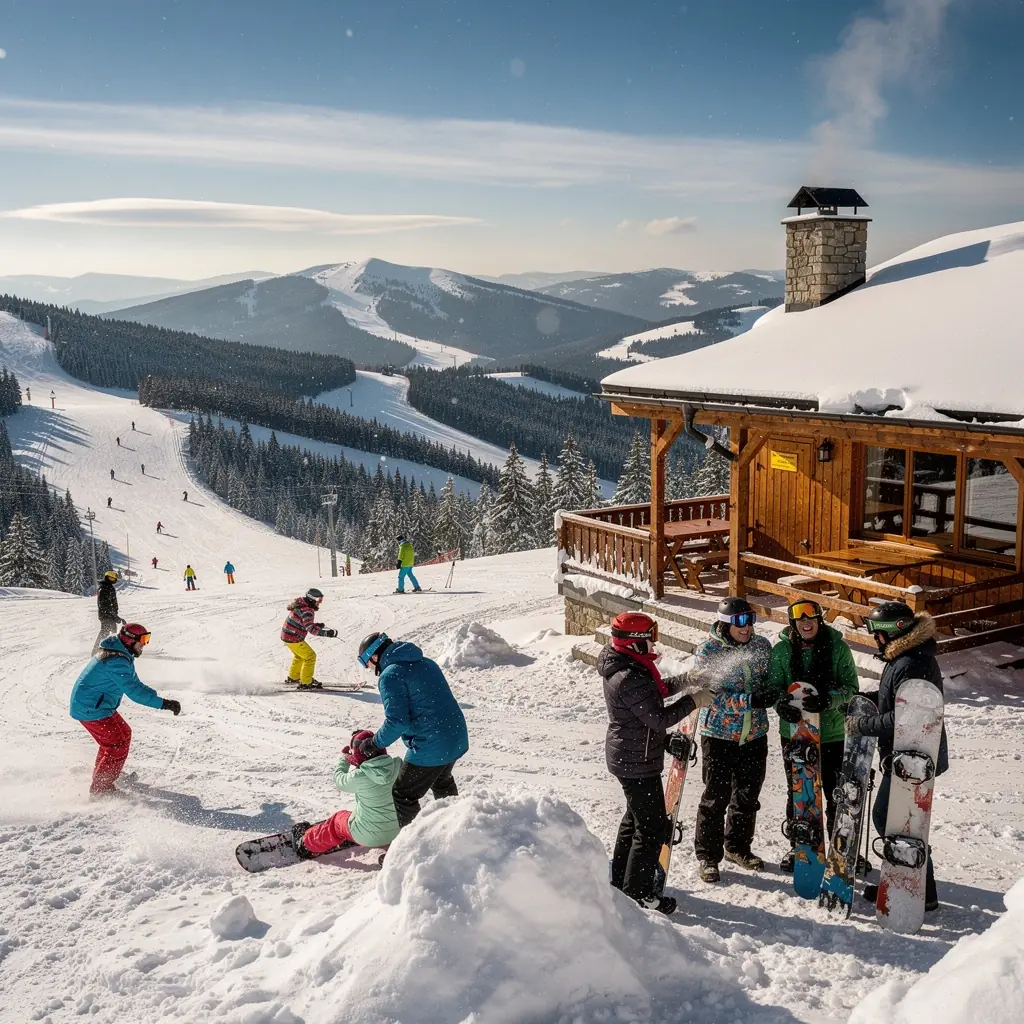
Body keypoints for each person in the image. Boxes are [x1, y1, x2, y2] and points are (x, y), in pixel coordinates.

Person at [598, 611, 713, 915]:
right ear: (635, 642)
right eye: (651, 636)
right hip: (635, 761)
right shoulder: (628, 677)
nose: (654, 642)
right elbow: (658, 718)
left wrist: (688, 681)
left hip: (634, 755)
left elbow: (658, 691)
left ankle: (623, 880)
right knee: (650, 827)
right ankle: (638, 893)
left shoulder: (632, 666)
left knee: (635, 820)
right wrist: (694, 701)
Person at [847, 603, 949, 914]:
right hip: (907, 754)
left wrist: (863, 726)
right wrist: (868, 702)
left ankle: (918, 886)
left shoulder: (911, 662)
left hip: (914, 755)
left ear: (893, 631)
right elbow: (897, 699)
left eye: (876, 631)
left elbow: (907, 716)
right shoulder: (902, 658)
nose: (874, 637)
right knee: (898, 820)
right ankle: (907, 880)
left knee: (895, 820)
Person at [768, 600, 860, 872]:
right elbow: (773, 688)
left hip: (831, 732)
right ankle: (799, 846)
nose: (806, 623)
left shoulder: (838, 648)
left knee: (835, 792)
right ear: (793, 623)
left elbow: (851, 688)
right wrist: (780, 705)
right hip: (796, 733)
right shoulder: (782, 651)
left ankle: (839, 847)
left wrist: (828, 700)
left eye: (811, 618)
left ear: (820, 620)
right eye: (800, 619)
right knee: (800, 791)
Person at [690, 596, 773, 883]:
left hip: (754, 734)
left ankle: (737, 847)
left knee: (748, 796)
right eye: (740, 621)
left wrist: (775, 694)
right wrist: (750, 700)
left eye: (750, 620)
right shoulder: (708, 652)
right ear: (726, 623)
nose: (747, 627)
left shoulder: (761, 646)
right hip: (720, 735)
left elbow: (770, 680)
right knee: (716, 797)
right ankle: (708, 856)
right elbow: (710, 697)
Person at [357, 631, 468, 827]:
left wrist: (374, 743)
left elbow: (398, 721)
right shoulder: (427, 662)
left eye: (368, 664)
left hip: (433, 745)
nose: (371, 669)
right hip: (456, 735)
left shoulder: (390, 675)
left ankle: (410, 851)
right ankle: (456, 829)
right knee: (441, 780)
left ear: (374, 656)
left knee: (403, 794)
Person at [69, 622, 181, 797]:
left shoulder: (121, 655)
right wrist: (163, 703)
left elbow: (135, 684)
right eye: (143, 639)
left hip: (96, 705)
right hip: (91, 709)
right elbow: (135, 692)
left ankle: (106, 773)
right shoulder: (116, 661)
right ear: (130, 640)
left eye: (147, 638)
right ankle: (101, 788)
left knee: (121, 735)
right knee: (116, 744)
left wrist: (157, 696)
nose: (145, 644)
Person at [291, 729, 401, 860]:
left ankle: (305, 844)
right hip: (400, 831)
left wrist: (344, 760)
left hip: (368, 836)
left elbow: (339, 780)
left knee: (337, 821)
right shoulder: (399, 765)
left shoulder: (359, 776)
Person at [281, 587, 338, 689]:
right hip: (293, 637)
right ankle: (305, 682)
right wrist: (327, 633)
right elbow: (311, 630)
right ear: (312, 599)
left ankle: (294, 677)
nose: (319, 603)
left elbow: (305, 623)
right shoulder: (307, 610)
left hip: (287, 635)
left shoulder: (302, 605)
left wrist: (316, 625)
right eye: (318, 600)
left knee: (300, 656)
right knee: (310, 656)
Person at [93, 569, 124, 653]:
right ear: (106, 578)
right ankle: (96, 650)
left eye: (114, 579)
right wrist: (113, 615)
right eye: (111, 578)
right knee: (105, 632)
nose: (113, 580)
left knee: (112, 631)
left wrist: (115, 614)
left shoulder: (110, 588)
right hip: (105, 615)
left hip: (110, 615)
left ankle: (109, 649)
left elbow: (113, 603)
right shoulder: (103, 588)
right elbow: (103, 605)